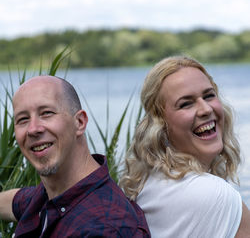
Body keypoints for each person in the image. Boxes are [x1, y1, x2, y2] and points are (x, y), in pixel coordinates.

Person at [0, 75, 150, 237]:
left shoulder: (105, 227)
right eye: (23, 119)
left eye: (47, 113)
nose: (33, 129)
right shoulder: (52, 195)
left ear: (79, 122)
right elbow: (13, 201)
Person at [120, 56, 250, 238]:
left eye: (209, 95)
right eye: (186, 104)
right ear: (161, 125)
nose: (205, 109)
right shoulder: (215, 195)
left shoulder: (148, 185)